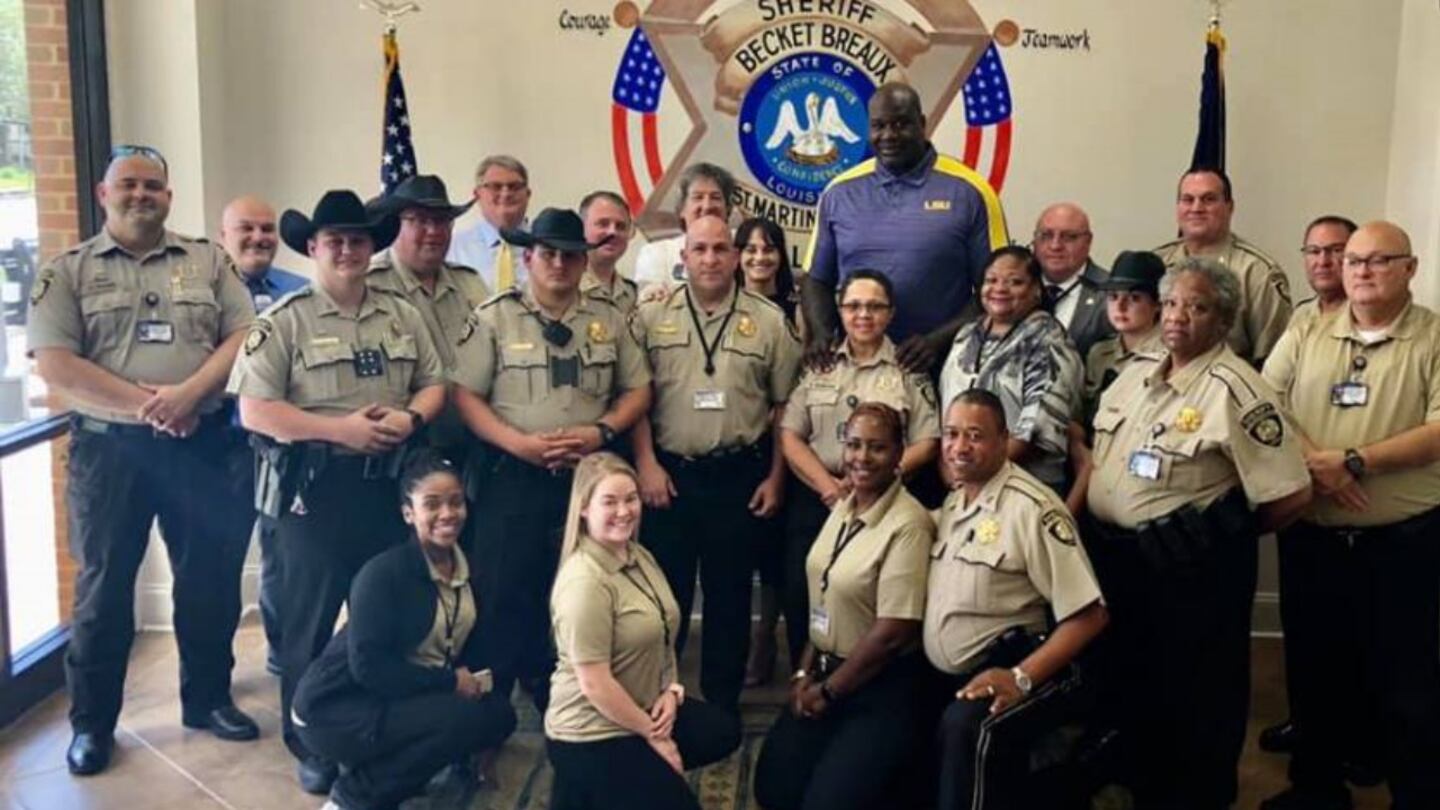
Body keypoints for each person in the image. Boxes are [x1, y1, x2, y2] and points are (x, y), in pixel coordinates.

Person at [28, 147, 260, 775]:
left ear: (168, 196)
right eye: (128, 185)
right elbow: (56, 363)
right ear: (103, 195)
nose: (141, 195)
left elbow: (244, 337)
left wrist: (189, 396)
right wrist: (153, 406)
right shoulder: (68, 271)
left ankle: (208, 699)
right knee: (104, 592)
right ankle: (92, 725)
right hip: (110, 452)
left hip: (203, 445)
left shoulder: (209, 262)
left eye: (152, 186)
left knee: (210, 582)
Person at [227, 189, 446, 794]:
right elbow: (254, 411)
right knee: (309, 626)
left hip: (390, 490)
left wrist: (413, 418)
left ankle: (380, 727)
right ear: (314, 248)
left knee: (388, 619)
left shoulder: (402, 314)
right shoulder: (284, 321)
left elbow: (434, 383)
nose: (347, 250)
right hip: (315, 493)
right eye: (335, 241)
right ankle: (310, 742)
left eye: (357, 240)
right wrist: (339, 430)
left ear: (372, 247)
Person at [1086, 258, 1312, 809]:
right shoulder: (1137, 373)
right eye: (1170, 303)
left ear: (1224, 319)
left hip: (1191, 571)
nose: (1177, 316)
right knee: (1138, 686)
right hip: (1122, 563)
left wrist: (1222, 541)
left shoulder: (1237, 389)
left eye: (1196, 306)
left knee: (1200, 698)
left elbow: (1291, 493)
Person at [1259, 221, 1440, 810]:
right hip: (1313, 536)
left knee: (1407, 682)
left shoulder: (1433, 337)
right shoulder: (1307, 328)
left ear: (1410, 269)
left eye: (1379, 260)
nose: (1362, 270)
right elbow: (1264, 404)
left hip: (1402, 542)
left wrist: (1357, 461)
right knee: (1314, 671)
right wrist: (1320, 464)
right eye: (1354, 260)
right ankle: (1316, 790)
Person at [452, 207, 651, 713]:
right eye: (548, 254)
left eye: (569, 255)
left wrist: (601, 432)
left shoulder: (610, 318)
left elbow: (638, 389)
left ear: (584, 262)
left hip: (585, 481)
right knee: (501, 591)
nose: (559, 264)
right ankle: (492, 710)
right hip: (512, 475)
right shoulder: (494, 317)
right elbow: (466, 396)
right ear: (528, 258)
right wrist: (516, 443)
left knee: (575, 588)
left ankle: (561, 697)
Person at [631, 214, 802, 712]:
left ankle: (723, 707)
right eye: (700, 249)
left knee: (730, 597)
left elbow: (784, 408)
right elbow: (635, 397)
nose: (710, 259)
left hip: (739, 476)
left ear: (735, 257)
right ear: (683, 258)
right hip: (670, 476)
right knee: (666, 597)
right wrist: (645, 463)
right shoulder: (651, 317)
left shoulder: (769, 321)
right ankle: (661, 699)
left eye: (721, 249)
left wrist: (776, 478)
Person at [292, 450, 516, 810]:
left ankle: (400, 757)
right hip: (334, 707)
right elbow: (369, 670)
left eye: (456, 502)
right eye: (432, 504)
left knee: (499, 716)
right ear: (408, 513)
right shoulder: (382, 575)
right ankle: (352, 797)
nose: (448, 513)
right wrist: (449, 683)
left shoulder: (471, 571)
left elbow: (472, 650)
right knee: (458, 721)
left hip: (402, 690)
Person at [925, 389, 1108, 810]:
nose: (959, 447)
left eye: (975, 436)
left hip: (1019, 662)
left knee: (969, 729)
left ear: (1003, 440)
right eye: (951, 434)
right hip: (956, 673)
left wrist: (1020, 677)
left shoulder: (1033, 508)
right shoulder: (955, 502)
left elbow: (1091, 615)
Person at [753, 403, 935, 810]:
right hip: (824, 671)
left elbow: (892, 634)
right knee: (774, 789)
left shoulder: (910, 524)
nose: (862, 457)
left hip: (878, 686)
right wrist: (803, 673)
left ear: (899, 453)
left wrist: (828, 693)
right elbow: (825, 599)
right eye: (854, 445)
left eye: (877, 447)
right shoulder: (844, 505)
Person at [546, 452, 741, 810]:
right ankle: (589, 784)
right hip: (591, 731)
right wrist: (656, 737)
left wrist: (670, 690)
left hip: (642, 707)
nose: (624, 511)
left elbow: (664, 632)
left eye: (631, 499)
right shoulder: (584, 583)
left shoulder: (638, 555)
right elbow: (595, 684)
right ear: (584, 508)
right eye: (610, 501)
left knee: (721, 731)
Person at [778, 270, 939, 673]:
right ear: (839, 309)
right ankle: (805, 677)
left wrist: (871, 478)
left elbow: (927, 441)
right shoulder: (819, 363)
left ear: (890, 313)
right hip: (819, 497)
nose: (863, 314)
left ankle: (856, 683)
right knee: (801, 592)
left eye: (874, 306)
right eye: (853, 306)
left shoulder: (908, 369)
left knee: (867, 601)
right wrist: (831, 488)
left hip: (883, 508)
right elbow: (790, 434)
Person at [803, 81, 1009, 373]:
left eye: (901, 124)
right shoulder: (839, 192)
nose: (889, 135)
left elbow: (997, 290)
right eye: (879, 126)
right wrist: (822, 334)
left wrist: (937, 342)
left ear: (922, 124)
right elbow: (816, 280)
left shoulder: (971, 191)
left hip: (943, 365)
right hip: (857, 367)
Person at [1256, 212, 1358, 759]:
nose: (1324, 261)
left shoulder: (1374, 321)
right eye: (1314, 251)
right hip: (1307, 492)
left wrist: (1346, 464)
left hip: (1361, 496)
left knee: (1360, 634)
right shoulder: (1300, 319)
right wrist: (1318, 463)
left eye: (1336, 250)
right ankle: (1308, 723)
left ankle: (1361, 741)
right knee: (1306, 624)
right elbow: (1269, 399)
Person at [218, 193, 308, 677]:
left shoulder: (300, 291)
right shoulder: (206, 294)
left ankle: (283, 650)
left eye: (267, 229)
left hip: (280, 444)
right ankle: (212, 679)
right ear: (223, 237)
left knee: (282, 554)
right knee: (218, 559)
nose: (258, 238)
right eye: (246, 229)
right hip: (220, 446)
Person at [939, 246, 1083, 495]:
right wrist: (954, 474)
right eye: (991, 280)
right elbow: (945, 413)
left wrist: (975, 473)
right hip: (960, 483)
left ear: (1036, 289)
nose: (1000, 289)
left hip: (1022, 487)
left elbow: (1038, 430)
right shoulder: (966, 334)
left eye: (1014, 282)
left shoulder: (1049, 339)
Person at [368, 174, 490, 459]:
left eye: (441, 221)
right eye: (420, 220)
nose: (433, 231)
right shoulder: (370, 285)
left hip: (473, 443)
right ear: (396, 224)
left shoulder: (470, 283)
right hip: (403, 447)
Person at [735, 216, 805, 685]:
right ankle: (740, 643)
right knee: (739, 557)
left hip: (784, 446)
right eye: (750, 249)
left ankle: (765, 641)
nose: (760, 257)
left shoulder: (797, 311)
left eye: (769, 248)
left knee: (776, 559)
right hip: (738, 446)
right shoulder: (720, 303)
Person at [1154, 166, 1292, 364]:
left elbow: (1274, 360)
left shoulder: (1256, 272)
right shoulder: (1157, 263)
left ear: (1230, 207)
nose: (1196, 208)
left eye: (1208, 199)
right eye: (1188, 199)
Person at [1082, 250, 1166, 417]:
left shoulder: (1169, 355)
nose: (1120, 306)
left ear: (1158, 304)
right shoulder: (1100, 353)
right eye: (1113, 297)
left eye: (1134, 298)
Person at [633, 163, 736, 292]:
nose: (707, 206)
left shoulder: (747, 247)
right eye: (698, 197)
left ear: (728, 208)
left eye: (715, 197)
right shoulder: (656, 253)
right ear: (681, 208)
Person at [1033, 202, 1113, 359]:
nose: (1055, 246)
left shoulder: (1110, 292)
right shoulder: (1014, 287)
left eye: (1069, 237)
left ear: (1088, 241)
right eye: (1046, 235)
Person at [447, 154, 531, 292]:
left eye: (514, 186)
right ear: (477, 195)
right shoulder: (454, 249)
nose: (506, 194)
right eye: (495, 186)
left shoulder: (547, 250)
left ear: (528, 194)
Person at [579, 190, 639, 315]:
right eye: (603, 224)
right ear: (580, 229)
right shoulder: (565, 288)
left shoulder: (633, 294)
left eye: (620, 226)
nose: (612, 232)